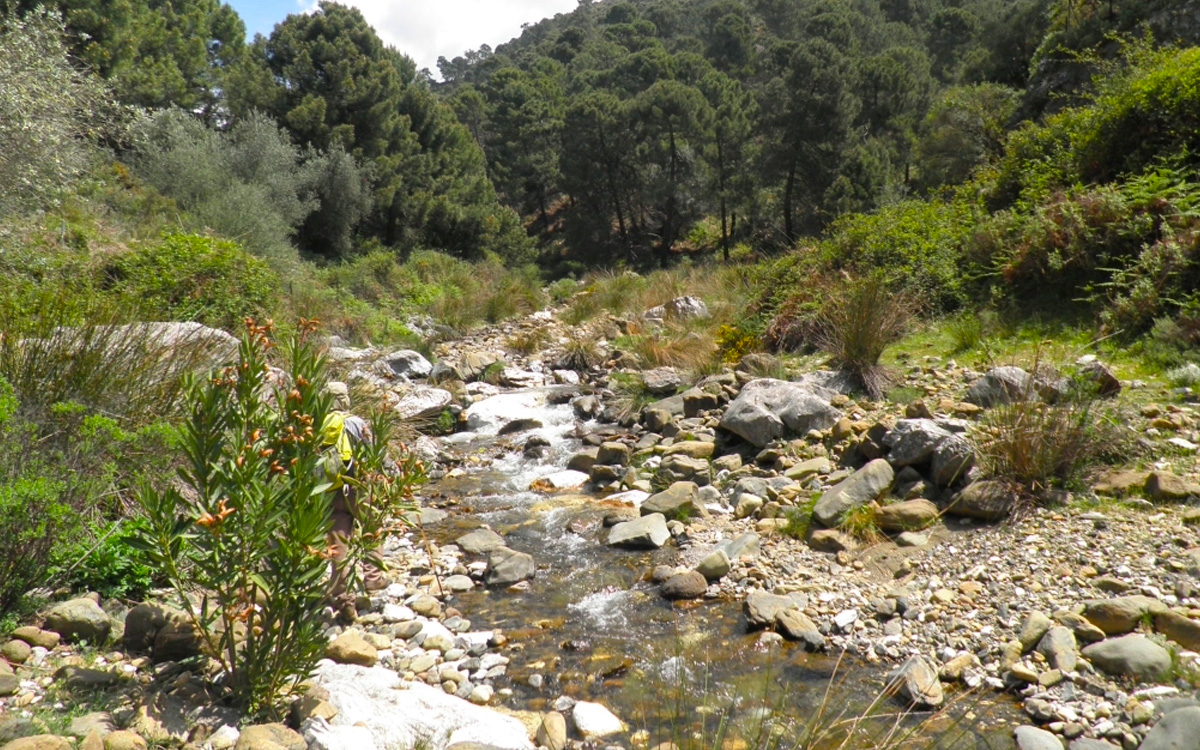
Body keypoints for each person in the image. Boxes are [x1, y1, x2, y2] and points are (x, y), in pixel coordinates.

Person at [319, 411, 387, 621]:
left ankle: (343, 598)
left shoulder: (322, 424)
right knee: (372, 529)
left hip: (331, 490)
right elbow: (376, 454)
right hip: (359, 488)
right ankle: (373, 579)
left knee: (338, 542)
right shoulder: (356, 423)